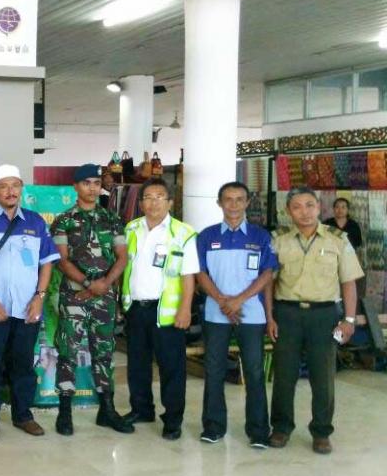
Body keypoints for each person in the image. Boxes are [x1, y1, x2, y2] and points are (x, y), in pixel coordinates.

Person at [266, 186, 363, 454]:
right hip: (287, 314)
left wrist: (350, 320)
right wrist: (270, 317)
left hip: (324, 316)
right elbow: (268, 284)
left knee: (323, 377)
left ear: (320, 207)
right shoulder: (278, 240)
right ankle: (281, 428)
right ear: (288, 211)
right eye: (297, 206)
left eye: (310, 205)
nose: (304, 212)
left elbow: (349, 283)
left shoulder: (338, 240)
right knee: (284, 375)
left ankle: (321, 432)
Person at [0, 164, 56, 441]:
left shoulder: (35, 222)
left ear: (21, 189)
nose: (10, 191)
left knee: (22, 364)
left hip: (26, 308)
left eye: (15, 185)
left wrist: (39, 298)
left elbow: (46, 264)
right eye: (4, 186)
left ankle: (23, 415)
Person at [51, 163, 132, 436]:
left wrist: (103, 285)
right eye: (86, 183)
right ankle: (65, 412)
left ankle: (106, 410)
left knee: (104, 351)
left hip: (104, 296)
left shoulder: (112, 219)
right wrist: (87, 284)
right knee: (68, 351)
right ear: (75, 186)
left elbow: (122, 257)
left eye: (96, 183)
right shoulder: (63, 220)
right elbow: (61, 261)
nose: (92, 187)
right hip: (74, 295)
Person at [196, 181, 278, 448]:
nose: (233, 205)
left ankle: (258, 431)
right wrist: (222, 301)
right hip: (215, 313)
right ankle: (213, 426)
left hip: (251, 315)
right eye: (228, 200)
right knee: (214, 369)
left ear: (247, 202)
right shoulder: (206, 236)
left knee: (254, 372)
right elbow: (200, 273)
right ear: (219, 203)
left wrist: (240, 300)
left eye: (239, 199)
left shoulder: (261, 236)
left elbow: (267, 274)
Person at [120, 177, 199, 440]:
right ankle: (141, 409)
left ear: (170, 202)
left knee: (171, 367)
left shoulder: (183, 233)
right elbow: (125, 268)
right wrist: (124, 302)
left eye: (159, 197)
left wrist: (185, 309)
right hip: (136, 309)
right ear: (141, 203)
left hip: (167, 312)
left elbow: (189, 276)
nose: (153, 202)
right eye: (148, 197)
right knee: (137, 364)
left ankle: (173, 419)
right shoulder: (131, 229)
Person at [323, 197, 365, 297]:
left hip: (349, 258)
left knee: (348, 284)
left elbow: (358, 244)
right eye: (337, 207)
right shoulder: (326, 224)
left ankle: (349, 309)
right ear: (333, 209)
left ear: (348, 210)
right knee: (331, 285)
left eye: (343, 207)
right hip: (330, 258)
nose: (340, 210)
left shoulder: (353, 225)